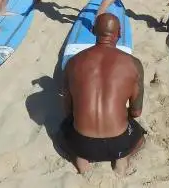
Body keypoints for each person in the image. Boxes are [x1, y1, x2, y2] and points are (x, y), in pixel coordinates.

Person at [59, 13, 146, 175]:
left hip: (83, 141)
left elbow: (68, 110)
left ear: (92, 30)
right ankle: (122, 158)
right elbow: (136, 112)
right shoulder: (133, 64)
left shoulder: (73, 63)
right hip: (118, 141)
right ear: (119, 33)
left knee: (64, 130)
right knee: (140, 137)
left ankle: (81, 159)